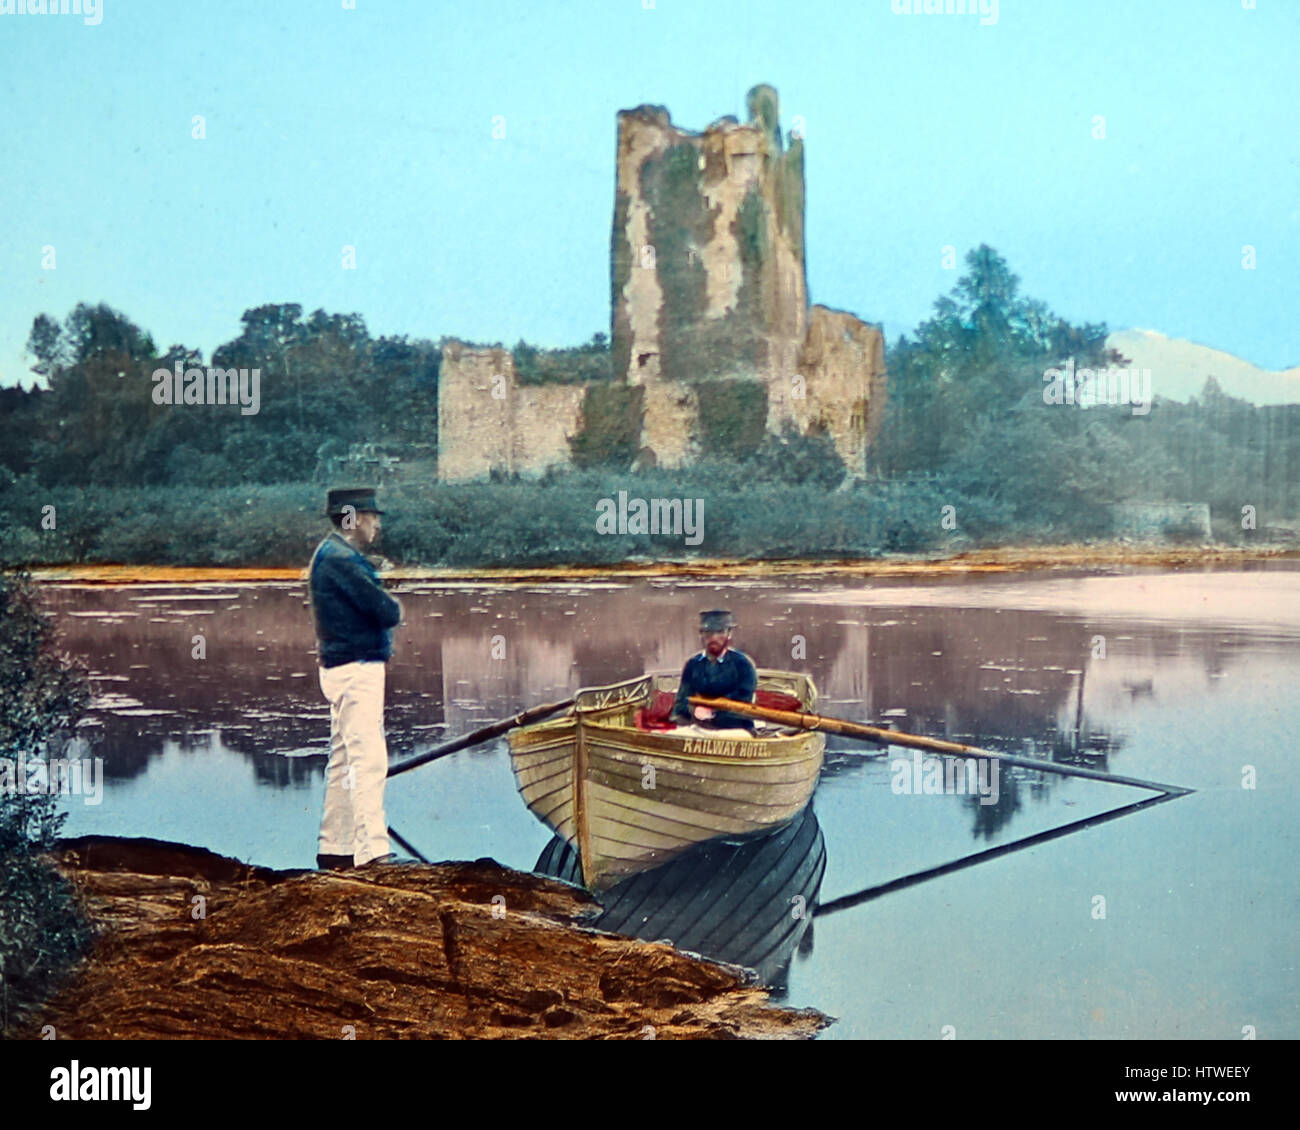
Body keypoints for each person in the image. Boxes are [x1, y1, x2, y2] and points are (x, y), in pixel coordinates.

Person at [309, 487, 403, 869]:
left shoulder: (330, 555)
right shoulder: (344, 560)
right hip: (357, 669)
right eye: (372, 516)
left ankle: (335, 848)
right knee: (368, 761)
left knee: (345, 760)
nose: (377, 524)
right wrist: (388, 592)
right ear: (354, 520)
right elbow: (386, 612)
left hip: (339, 666)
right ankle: (373, 853)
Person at [672, 609, 758, 731]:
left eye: (720, 632)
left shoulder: (743, 664)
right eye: (708, 632)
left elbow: (744, 705)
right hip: (697, 728)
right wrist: (694, 710)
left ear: (729, 634)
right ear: (701, 634)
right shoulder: (693, 664)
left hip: (735, 729)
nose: (713, 638)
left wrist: (713, 712)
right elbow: (681, 704)